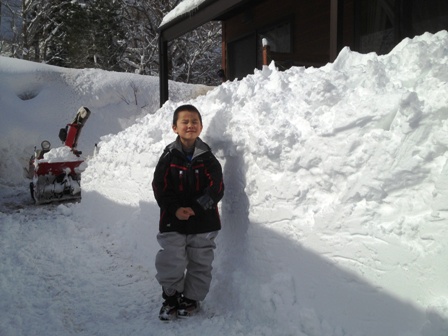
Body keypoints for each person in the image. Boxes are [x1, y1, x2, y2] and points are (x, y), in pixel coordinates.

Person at [152, 104, 224, 321]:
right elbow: (160, 187)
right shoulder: (168, 157)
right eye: (185, 121)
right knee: (172, 257)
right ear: (175, 127)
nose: (190, 125)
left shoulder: (209, 159)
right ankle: (171, 297)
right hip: (172, 220)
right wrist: (175, 209)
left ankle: (191, 299)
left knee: (200, 260)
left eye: (194, 121)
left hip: (203, 220)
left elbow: (217, 188)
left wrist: (196, 208)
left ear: (201, 127)